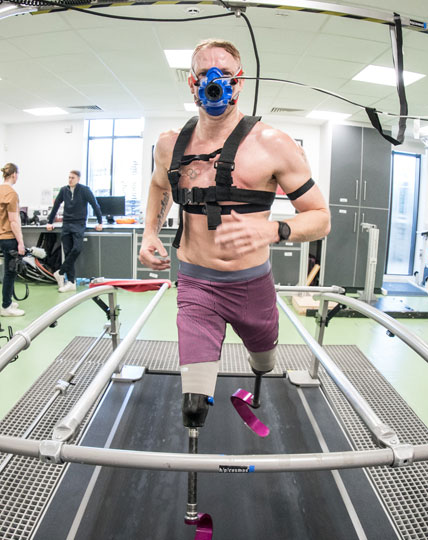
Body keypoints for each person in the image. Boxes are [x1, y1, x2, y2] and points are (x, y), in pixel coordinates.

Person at [138, 38, 330, 431]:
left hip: (252, 287)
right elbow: (160, 186)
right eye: (205, 74)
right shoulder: (169, 144)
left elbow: (321, 218)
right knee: (193, 406)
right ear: (191, 84)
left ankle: (259, 375)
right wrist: (149, 234)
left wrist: (273, 228)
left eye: (224, 74)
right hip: (195, 286)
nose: (214, 81)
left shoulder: (273, 145)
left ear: (239, 83)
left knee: (266, 362)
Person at [46, 170, 103, 292]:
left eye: (72, 178)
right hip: (66, 224)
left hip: (79, 224)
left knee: (77, 249)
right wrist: (49, 222)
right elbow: (56, 206)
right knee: (67, 252)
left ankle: (60, 272)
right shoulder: (64, 190)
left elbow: (95, 204)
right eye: (69, 177)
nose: (70, 180)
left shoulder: (84, 190)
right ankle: (71, 282)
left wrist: (100, 222)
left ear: (78, 179)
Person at [0, 163, 27, 317]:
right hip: (10, 237)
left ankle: (9, 301)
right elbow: (13, 220)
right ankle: (6, 306)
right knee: (10, 273)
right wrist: (21, 242)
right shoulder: (11, 194)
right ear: (14, 175)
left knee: (9, 272)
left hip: (0, 236)